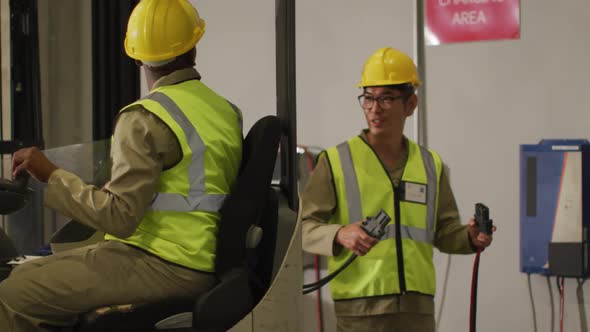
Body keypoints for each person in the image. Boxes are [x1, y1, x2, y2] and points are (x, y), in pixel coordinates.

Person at [0, 0, 243, 330]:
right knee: (31, 270)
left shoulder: (143, 117)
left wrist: (51, 175)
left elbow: (119, 217)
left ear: (138, 55)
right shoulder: (225, 110)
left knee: (14, 292)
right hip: (197, 260)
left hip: (160, 264)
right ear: (193, 47)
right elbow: (191, 184)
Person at [301, 47, 496, 332]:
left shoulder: (430, 165)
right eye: (368, 98)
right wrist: (340, 233)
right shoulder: (335, 161)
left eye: (387, 98)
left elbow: (444, 232)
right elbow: (302, 228)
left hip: (417, 310)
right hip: (360, 310)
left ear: (411, 104)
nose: (374, 109)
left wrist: (470, 237)